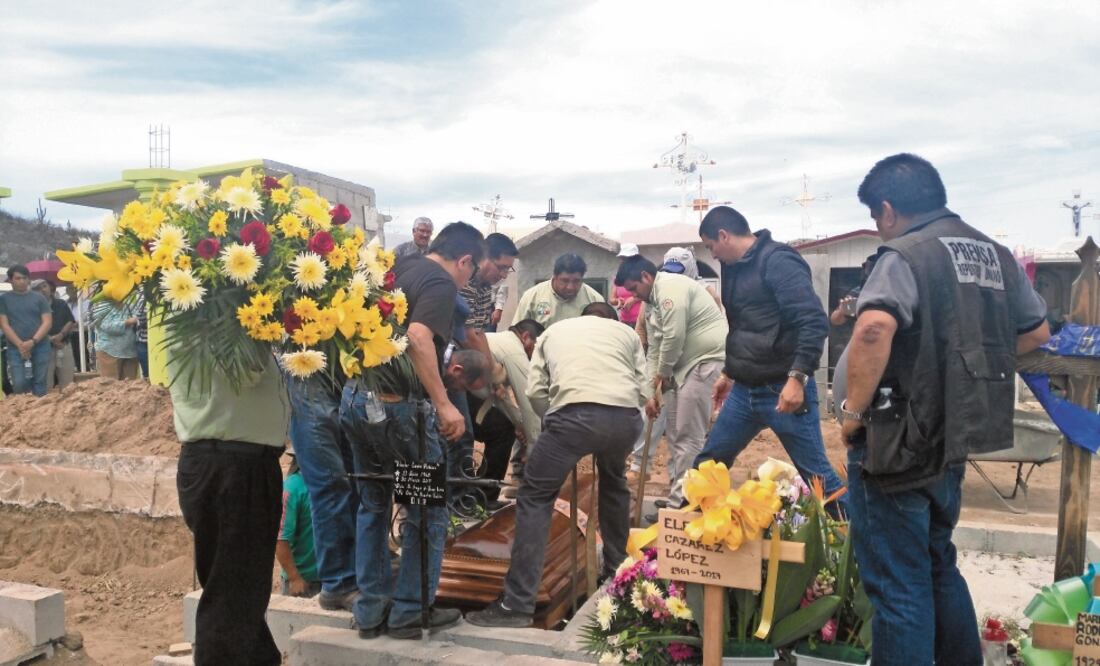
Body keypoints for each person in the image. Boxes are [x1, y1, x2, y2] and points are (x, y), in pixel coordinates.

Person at [837, 153, 1050, 666]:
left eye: (874, 217)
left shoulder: (903, 255)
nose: (877, 228)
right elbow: (1036, 333)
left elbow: (871, 329)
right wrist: (965, 365)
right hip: (956, 436)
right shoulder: (995, 254)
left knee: (898, 587)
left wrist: (853, 412)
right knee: (938, 565)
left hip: (898, 439)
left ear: (887, 209)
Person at [339, 221, 485, 640]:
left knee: (373, 504)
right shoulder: (441, 282)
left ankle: (370, 611)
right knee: (426, 511)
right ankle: (408, 612)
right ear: (464, 261)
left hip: (357, 399)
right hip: (399, 413)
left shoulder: (398, 267)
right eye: (470, 271)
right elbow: (420, 338)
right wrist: (443, 404)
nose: (467, 279)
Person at [466, 302, 645, 628]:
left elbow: (535, 392)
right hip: (625, 417)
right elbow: (642, 386)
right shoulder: (626, 333)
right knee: (614, 481)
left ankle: (518, 604)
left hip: (573, 416)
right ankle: (617, 571)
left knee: (535, 497)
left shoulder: (554, 333)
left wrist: (555, 422)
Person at [693, 206, 845, 506]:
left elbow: (812, 321)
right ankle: (688, 541)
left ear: (724, 236)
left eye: (711, 247)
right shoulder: (734, 266)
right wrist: (729, 373)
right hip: (743, 391)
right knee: (708, 466)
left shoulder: (779, 261)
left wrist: (798, 379)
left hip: (783, 389)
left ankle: (857, 545)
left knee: (819, 479)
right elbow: (743, 327)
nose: (712, 256)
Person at [171, 348, 289, 666]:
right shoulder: (217, 311)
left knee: (239, 591)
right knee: (232, 594)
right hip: (233, 464)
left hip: (235, 462)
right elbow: (248, 367)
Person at [615, 255, 727, 514]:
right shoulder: (652, 301)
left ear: (646, 276)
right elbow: (654, 347)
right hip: (681, 370)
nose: (634, 295)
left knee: (689, 437)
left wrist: (661, 376)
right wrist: (651, 392)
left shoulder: (670, 288)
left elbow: (674, 337)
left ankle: (687, 504)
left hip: (702, 363)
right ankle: (680, 499)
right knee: (677, 436)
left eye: (634, 288)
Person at [285, 370, 360, 613]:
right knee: (331, 486)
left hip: (340, 378)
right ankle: (339, 583)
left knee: (356, 482)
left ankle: (357, 572)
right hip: (307, 375)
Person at [473, 318, 545, 505]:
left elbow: (501, 396)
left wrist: (519, 426)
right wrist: (533, 446)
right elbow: (528, 401)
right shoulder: (514, 350)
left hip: (470, 395)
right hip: (462, 393)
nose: (536, 356)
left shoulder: (499, 342)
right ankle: (483, 498)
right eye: (537, 348)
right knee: (502, 431)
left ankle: (480, 495)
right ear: (526, 337)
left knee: (504, 427)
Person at [510, 253, 605, 327]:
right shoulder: (531, 297)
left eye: (576, 281)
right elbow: (517, 333)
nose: (570, 287)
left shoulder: (595, 300)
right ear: (555, 276)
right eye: (565, 280)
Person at [0, 266, 52, 396]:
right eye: (18, 278)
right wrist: (20, 345)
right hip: (15, 348)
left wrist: (33, 341)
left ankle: (39, 413)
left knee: (39, 383)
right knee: (19, 383)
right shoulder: (4, 300)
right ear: (10, 280)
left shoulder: (39, 298)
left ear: (29, 280)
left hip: (40, 345)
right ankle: (23, 412)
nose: (22, 281)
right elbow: (4, 325)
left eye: (25, 278)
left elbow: (47, 322)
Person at [276, 452, 322, 598]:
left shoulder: (327, 485)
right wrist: (295, 578)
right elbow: (280, 539)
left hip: (329, 579)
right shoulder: (292, 488)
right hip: (303, 581)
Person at [33, 280, 76, 391]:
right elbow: (31, 326)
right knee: (46, 383)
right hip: (43, 348)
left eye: (44, 286)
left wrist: (61, 335)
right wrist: (49, 338)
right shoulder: (32, 308)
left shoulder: (61, 303)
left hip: (63, 345)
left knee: (68, 383)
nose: (42, 289)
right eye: (38, 288)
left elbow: (70, 321)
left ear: (50, 288)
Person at [92, 298, 139, 380]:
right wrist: (127, 322)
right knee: (111, 385)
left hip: (130, 352)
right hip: (109, 352)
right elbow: (107, 326)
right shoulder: (102, 306)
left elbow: (138, 317)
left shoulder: (129, 303)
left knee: (130, 386)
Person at [609, 243, 643, 327]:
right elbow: (611, 299)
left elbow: (651, 294)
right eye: (623, 258)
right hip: (624, 321)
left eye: (629, 258)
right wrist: (618, 301)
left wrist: (634, 299)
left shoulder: (643, 274)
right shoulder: (619, 277)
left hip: (641, 321)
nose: (626, 261)